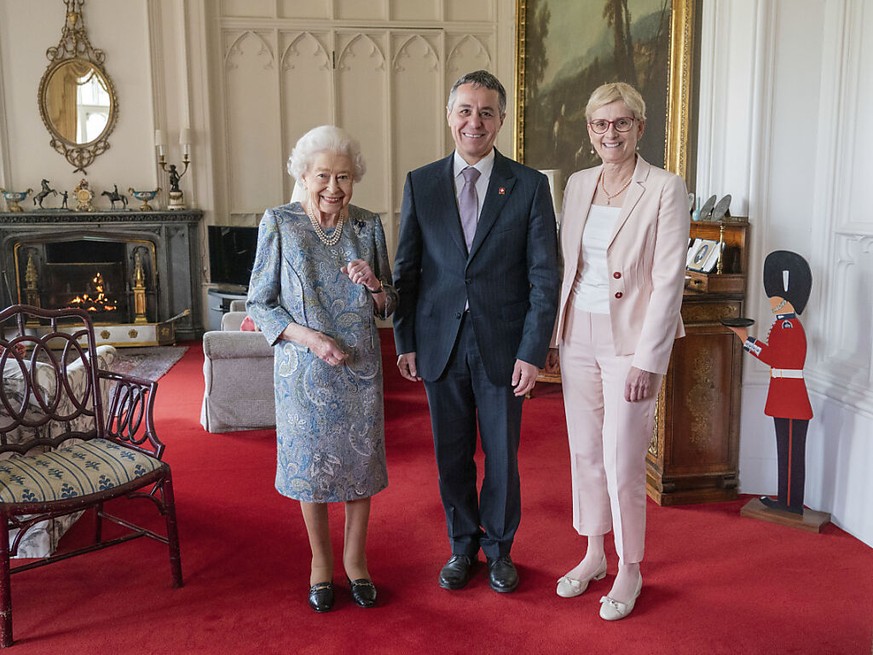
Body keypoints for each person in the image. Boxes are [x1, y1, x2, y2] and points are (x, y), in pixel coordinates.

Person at [392, 70, 560, 594]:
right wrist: (406, 341)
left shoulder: (529, 185)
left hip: (504, 347)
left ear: (501, 121)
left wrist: (533, 351)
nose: (475, 122)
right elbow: (407, 271)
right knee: (451, 454)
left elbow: (544, 276)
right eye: (465, 110)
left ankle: (500, 549)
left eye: (486, 112)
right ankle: (462, 546)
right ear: (449, 117)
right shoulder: (421, 182)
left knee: (503, 456)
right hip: (439, 344)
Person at [549, 82, 689, 620]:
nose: (611, 132)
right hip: (578, 332)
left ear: (640, 127)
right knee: (584, 451)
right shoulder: (580, 184)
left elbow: (668, 277)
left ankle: (630, 567)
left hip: (631, 340)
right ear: (590, 131)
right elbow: (572, 267)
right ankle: (593, 554)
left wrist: (649, 359)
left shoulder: (665, 187)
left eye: (621, 123)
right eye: (600, 124)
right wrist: (557, 338)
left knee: (622, 459)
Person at [246, 125, 397, 613]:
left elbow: (388, 305)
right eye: (324, 176)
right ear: (304, 175)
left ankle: (356, 562)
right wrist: (310, 339)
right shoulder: (280, 223)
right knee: (310, 470)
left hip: (358, 370)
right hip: (303, 371)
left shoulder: (368, 226)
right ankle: (320, 563)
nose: (335, 187)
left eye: (345, 177)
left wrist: (374, 283)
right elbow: (261, 303)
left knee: (359, 467)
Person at [727, 250, 813, 515]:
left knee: (790, 454)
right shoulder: (783, 325)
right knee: (786, 452)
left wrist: (745, 339)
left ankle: (791, 504)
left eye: (776, 301)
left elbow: (775, 357)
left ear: (787, 302)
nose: (772, 305)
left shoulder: (789, 327)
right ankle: (787, 500)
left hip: (790, 398)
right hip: (785, 395)